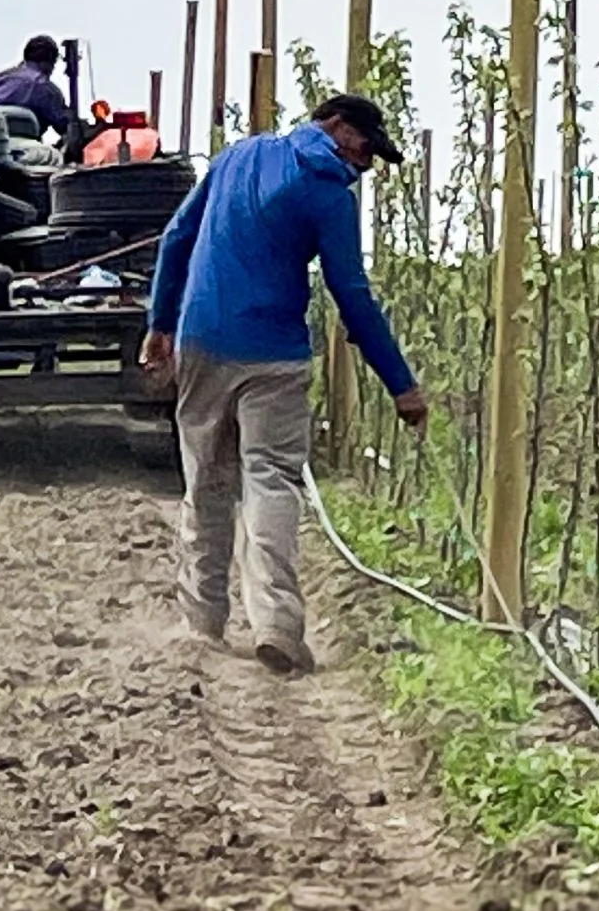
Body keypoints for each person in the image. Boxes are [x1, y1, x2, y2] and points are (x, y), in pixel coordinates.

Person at [141, 92, 430, 675]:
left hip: (202, 337)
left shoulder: (236, 158)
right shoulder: (329, 195)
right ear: (338, 126)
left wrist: (160, 323)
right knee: (271, 480)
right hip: (275, 353)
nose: (368, 163)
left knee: (207, 479)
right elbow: (352, 295)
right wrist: (401, 384)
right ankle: (275, 623)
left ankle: (203, 622)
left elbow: (176, 238)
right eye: (367, 148)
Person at [0, 35, 74, 141]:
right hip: (22, 148)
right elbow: (65, 126)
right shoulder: (45, 87)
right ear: (50, 62)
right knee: (54, 155)